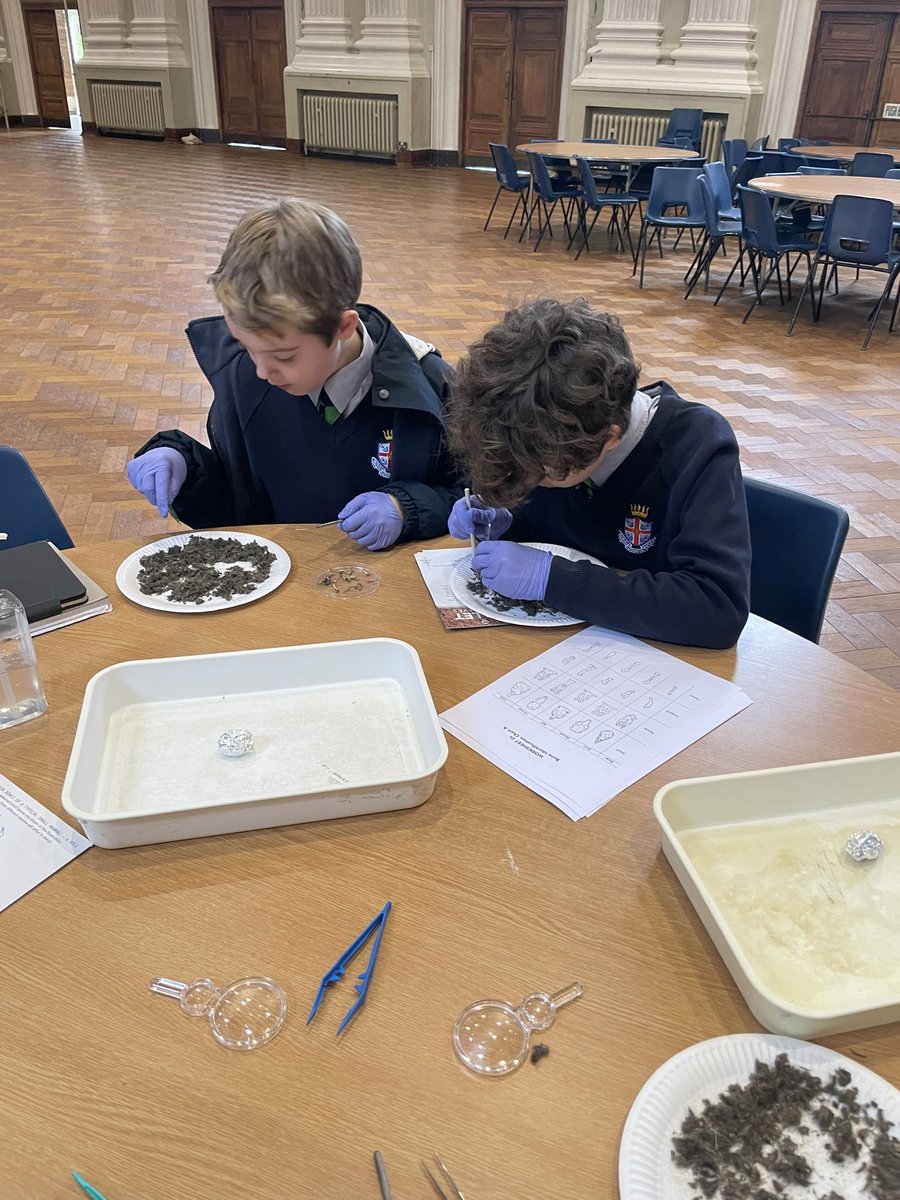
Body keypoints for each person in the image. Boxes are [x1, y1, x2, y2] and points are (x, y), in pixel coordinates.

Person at [126, 199, 460, 549]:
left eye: (283, 356)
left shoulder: (430, 385)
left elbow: (474, 498)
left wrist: (407, 509)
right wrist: (183, 464)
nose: (261, 370)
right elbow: (238, 499)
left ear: (343, 326)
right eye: (245, 346)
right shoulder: (247, 376)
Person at [446, 298, 750, 648]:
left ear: (609, 439)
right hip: (548, 648)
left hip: (648, 660)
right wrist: (508, 517)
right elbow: (553, 521)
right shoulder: (545, 436)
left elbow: (717, 610)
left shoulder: (696, 446)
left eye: (540, 474)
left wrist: (552, 580)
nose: (528, 480)